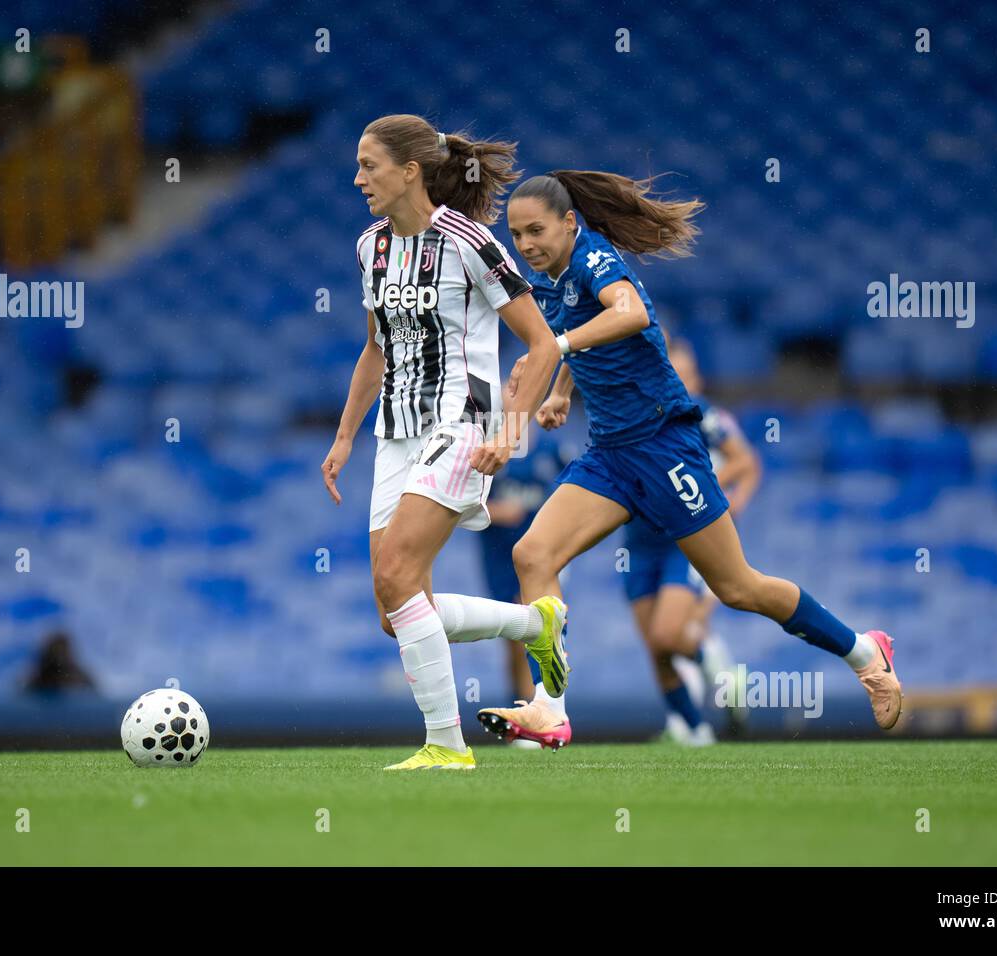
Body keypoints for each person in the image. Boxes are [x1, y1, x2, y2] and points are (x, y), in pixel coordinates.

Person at [476, 170, 901, 748]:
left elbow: (630, 315)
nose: (525, 245)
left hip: (663, 445)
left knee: (739, 587)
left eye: (536, 231)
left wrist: (559, 349)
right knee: (532, 553)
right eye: (516, 234)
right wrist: (558, 392)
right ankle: (550, 706)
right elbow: (580, 338)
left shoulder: (593, 260)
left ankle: (862, 650)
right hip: (610, 455)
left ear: (570, 223)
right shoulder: (547, 279)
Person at [320, 115, 565, 771]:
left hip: (466, 417)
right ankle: (532, 624)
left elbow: (541, 346)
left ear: (409, 171)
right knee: (394, 608)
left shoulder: (468, 241)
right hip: (394, 432)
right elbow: (375, 348)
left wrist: (508, 434)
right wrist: (345, 437)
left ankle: (445, 746)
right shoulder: (369, 247)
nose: (357, 178)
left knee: (397, 577)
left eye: (368, 165)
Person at [622, 335, 759, 746]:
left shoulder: (706, 417)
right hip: (640, 541)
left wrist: (725, 502)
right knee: (657, 649)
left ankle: (716, 666)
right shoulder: (640, 415)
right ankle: (692, 729)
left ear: (696, 378)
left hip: (687, 540)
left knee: (668, 634)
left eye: (685, 374)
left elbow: (746, 462)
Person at [476, 414, 572, 747]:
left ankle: (539, 712)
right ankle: (522, 709)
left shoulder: (551, 449)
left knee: (532, 628)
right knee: (511, 638)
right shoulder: (484, 448)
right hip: (498, 555)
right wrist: (493, 510)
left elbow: (572, 494)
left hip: (537, 554)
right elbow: (462, 501)